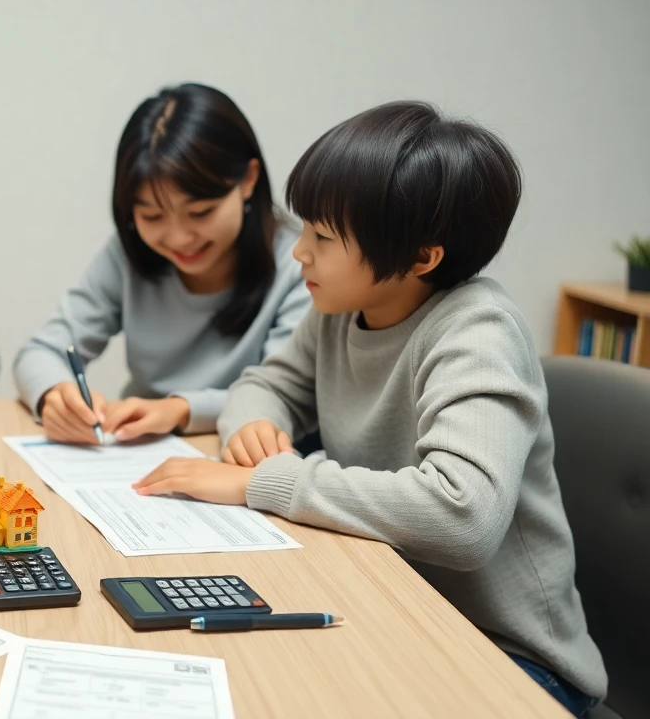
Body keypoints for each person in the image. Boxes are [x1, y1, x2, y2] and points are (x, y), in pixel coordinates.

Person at [133, 101, 606, 716]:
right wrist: (254, 423)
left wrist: (266, 481)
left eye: (323, 238)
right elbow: (266, 383)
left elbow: (463, 516)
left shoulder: (476, 334)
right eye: (306, 228)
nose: (299, 253)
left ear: (421, 257)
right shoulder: (341, 310)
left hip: (514, 661)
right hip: (398, 606)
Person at [13, 83, 311, 443]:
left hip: (237, 459)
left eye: (200, 212)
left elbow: (284, 395)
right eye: (152, 216)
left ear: (248, 180)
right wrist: (54, 395)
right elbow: (41, 351)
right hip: (137, 452)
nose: (179, 238)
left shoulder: (300, 264)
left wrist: (178, 409)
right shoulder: (129, 254)